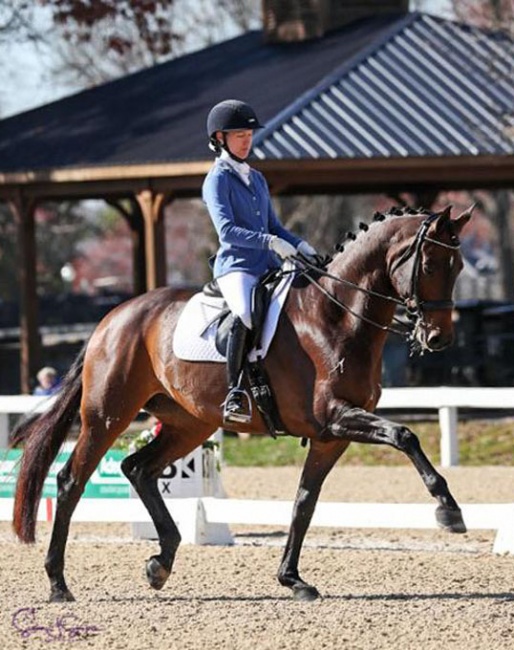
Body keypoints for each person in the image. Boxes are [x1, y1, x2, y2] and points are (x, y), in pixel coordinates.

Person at [202, 99, 318, 424]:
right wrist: (270, 242)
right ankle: (235, 393)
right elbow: (227, 232)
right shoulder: (217, 179)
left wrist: (302, 246)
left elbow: (275, 227)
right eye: (239, 134)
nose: (247, 140)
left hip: (268, 266)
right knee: (246, 314)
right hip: (236, 267)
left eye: (249, 133)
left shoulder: (257, 178)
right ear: (220, 138)